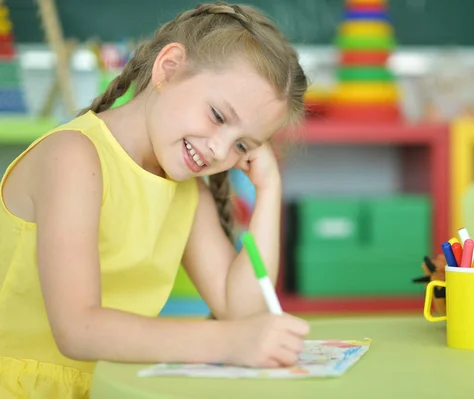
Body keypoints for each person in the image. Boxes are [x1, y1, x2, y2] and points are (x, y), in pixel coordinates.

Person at [0, 2, 310, 397]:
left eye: (242, 145)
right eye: (217, 115)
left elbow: (243, 311)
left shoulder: (184, 192)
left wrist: (269, 189)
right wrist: (228, 342)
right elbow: (77, 331)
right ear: (168, 68)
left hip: (112, 388)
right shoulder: (74, 158)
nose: (219, 151)